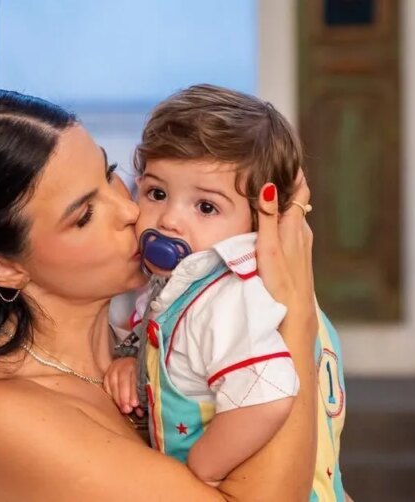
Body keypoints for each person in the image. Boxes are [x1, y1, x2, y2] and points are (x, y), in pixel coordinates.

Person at [0, 88, 320, 501]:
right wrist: (295, 312)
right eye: (84, 215)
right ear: (4, 269)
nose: (131, 210)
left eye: (109, 173)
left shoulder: (160, 346)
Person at [104, 84, 348, 499]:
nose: (169, 220)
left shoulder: (226, 299)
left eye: (206, 207)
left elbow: (265, 398)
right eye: (157, 193)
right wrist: (136, 363)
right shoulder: (188, 285)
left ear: (259, 219)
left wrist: (203, 467)